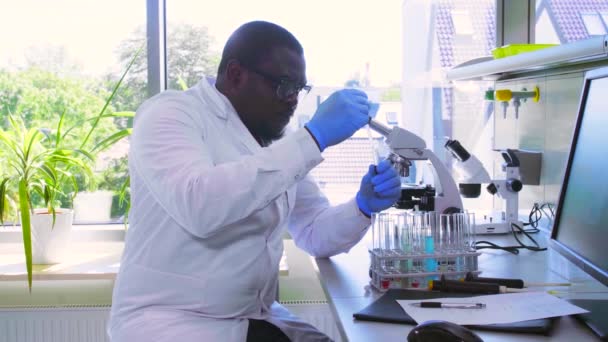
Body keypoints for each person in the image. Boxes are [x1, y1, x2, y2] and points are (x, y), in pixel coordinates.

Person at [108, 20, 401, 342]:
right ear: (236, 74)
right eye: (285, 85)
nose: (292, 100)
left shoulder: (274, 142)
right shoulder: (170, 114)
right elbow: (199, 206)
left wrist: (361, 207)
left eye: (299, 90)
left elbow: (315, 233)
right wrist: (313, 137)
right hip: (170, 322)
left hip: (254, 313)